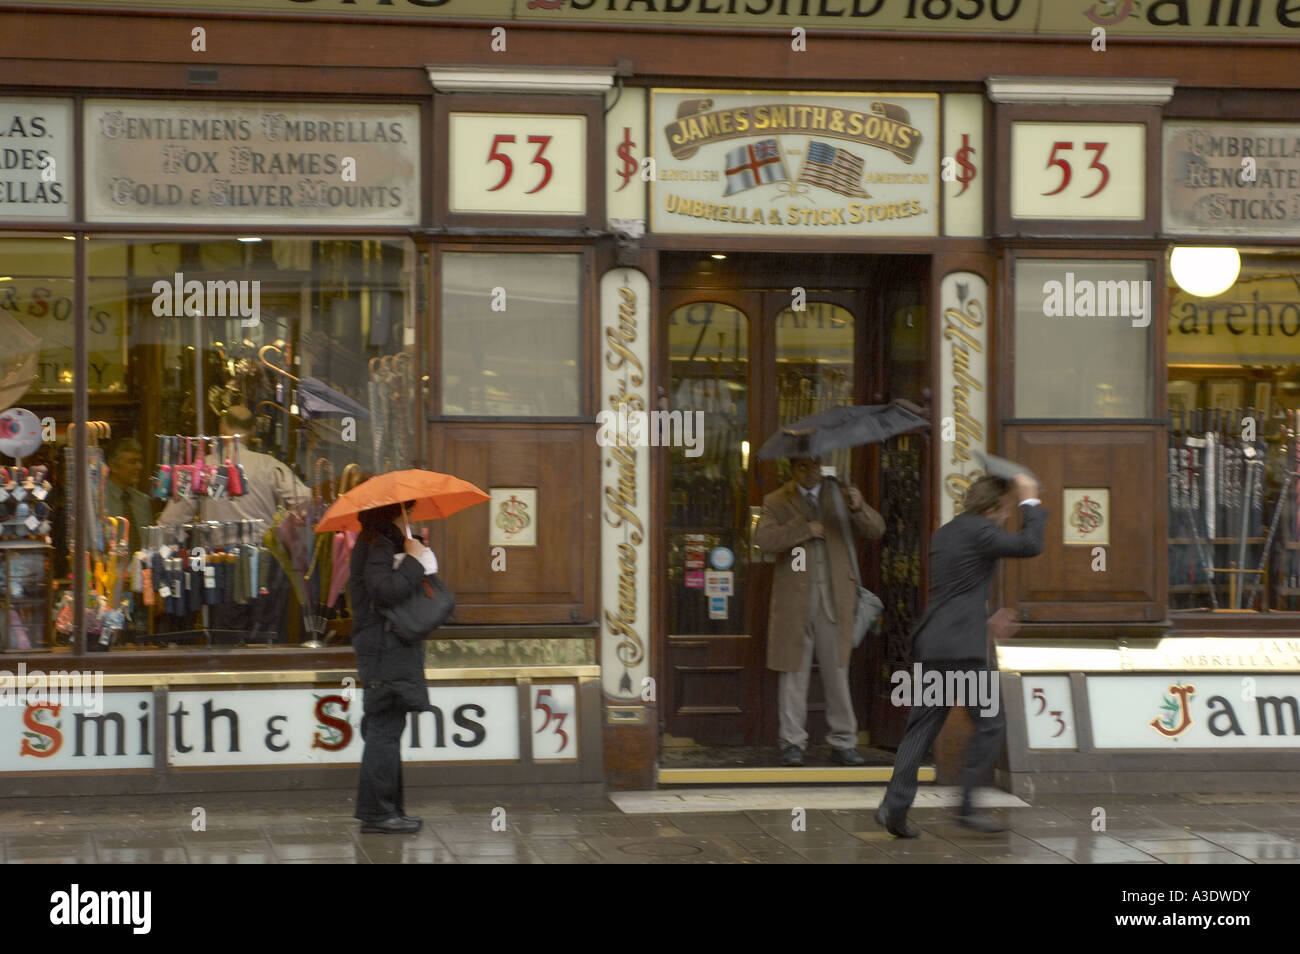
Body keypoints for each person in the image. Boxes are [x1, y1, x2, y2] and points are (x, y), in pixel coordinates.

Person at [876, 473, 1045, 838]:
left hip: (934, 643)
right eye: (1005, 511)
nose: (1005, 519)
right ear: (991, 508)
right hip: (963, 651)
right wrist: (1030, 499)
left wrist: (985, 621)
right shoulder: (982, 531)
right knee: (990, 723)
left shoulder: (947, 532)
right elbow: (1031, 545)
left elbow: (957, 591)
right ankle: (967, 807)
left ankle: (894, 805)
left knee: (922, 727)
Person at [756, 455, 885, 767]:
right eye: (802, 466)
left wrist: (859, 506)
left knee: (837, 674)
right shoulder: (776, 500)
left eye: (815, 465)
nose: (810, 472)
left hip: (835, 601)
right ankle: (792, 742)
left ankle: (844, 742)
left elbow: (875, 530)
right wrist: (804, 529)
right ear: (791, 469)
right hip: (793, 604)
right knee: (793, 675)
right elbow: (763, 540)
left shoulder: (839, 496)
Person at [349, 500, 439, 835]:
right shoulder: (377, 543)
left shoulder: (382, 541)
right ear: (396, 512)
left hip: (385, 647)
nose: (411, 517)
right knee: (385, 728)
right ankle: (377, 813)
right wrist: (414, 561)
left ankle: (388, 810)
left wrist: (413, 553)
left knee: (385, 726)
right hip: (384, 649)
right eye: (408, 511)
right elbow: (384, 590)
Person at [159, 405, 310, 527]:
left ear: (222, 427)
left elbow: (171, 519)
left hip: (217, 557)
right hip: (261, 556)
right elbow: (305, 498)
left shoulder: (200, 467)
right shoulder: (268, 465)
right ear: (253, 431)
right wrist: (281, 524)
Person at [103, 437, 154, 554]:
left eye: (140, 461)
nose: (139, 467)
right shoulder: (100, 500)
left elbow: (150, 543)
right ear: (113, 466)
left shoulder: (143, 501)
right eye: (132, 462)